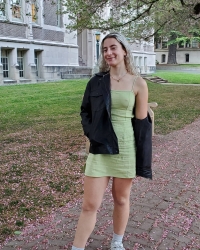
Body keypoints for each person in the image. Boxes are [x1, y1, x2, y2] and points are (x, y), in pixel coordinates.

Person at [71, 32, 152, 250]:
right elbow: (85, 112)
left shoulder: (139, 84)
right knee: (89, 204)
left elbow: (142, 125)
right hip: (100, 149)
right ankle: (76, 248)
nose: (109, 53)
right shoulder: (96, 82)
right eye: (105, 49)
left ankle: (117, 242)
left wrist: (142, 159)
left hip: (126, 149)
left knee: (121, 199)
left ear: (124, 50)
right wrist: (92, 134)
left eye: (113, 47)